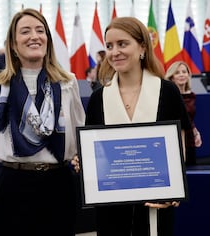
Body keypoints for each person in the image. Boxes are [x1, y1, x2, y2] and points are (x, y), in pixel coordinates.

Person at [0, 8, 85, 236]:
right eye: (25, 31)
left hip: (59, 182)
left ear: (47, 39)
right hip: (14, 183)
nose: (34, 36)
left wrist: (84, 156)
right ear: (13, 43)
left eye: (40, 30)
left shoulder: (68, 82)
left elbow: (80, 132)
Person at [85, 17, 191, 236]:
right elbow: (95, 154)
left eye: (122, 44)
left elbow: (179, 147)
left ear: (142, 46)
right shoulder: (98, 98)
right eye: (109, 46)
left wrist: (174, 190)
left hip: (156, 205)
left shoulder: (168, 92)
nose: (114, 52)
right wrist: (84, 162)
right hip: (110, 208)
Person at [165, 61, 202, 166]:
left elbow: (188, 118)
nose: (181, 75)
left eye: (184, 72)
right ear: (172, 77)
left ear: (188, 75)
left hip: (190, 140)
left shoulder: (191, 96)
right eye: (177, 72)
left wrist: (196, 132)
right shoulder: (168, 96)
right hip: (175, 140)